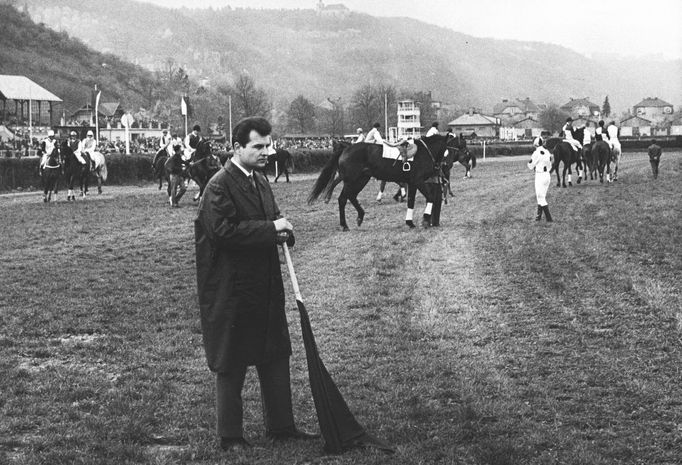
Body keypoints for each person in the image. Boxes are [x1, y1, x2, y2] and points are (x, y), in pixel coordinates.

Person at [194, 117, 318, 453]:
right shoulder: (218, 186)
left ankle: (281, 426)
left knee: (274, 354)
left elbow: (273, 220)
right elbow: (224, 233)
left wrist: (284, 231)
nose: (267, 152)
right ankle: (230, 436)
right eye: (258, 147)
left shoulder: (261, 181)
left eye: (268, 145)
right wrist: (271, 228)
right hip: (231, 290)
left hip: (264, 284)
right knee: (231, 360)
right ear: (237, 148)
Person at [527, 142, 554, 222]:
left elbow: (530, 166)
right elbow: (550, 164)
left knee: (541, 197)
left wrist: (531, 164)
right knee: (541, 196)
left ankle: (549, 218)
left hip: (540, 175)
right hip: (547, 175)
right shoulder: (547, 151)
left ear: (535, 145)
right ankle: (538, 217)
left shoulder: (536, 152)